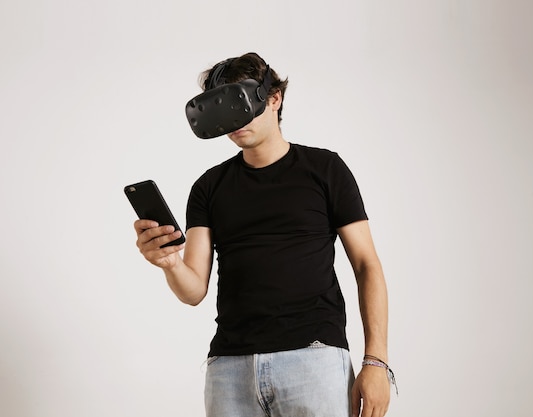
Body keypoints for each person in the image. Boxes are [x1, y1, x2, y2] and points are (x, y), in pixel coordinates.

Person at [134, 52, 393, 417]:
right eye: (221, 110)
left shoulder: (325, 170)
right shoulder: (208, 187)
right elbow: (193, 290)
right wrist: (168, 262)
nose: (233, 122)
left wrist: (376, 362)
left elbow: (367, 265)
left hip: (314, 360)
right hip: (229, 369)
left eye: (239, 103)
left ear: (274, 98)